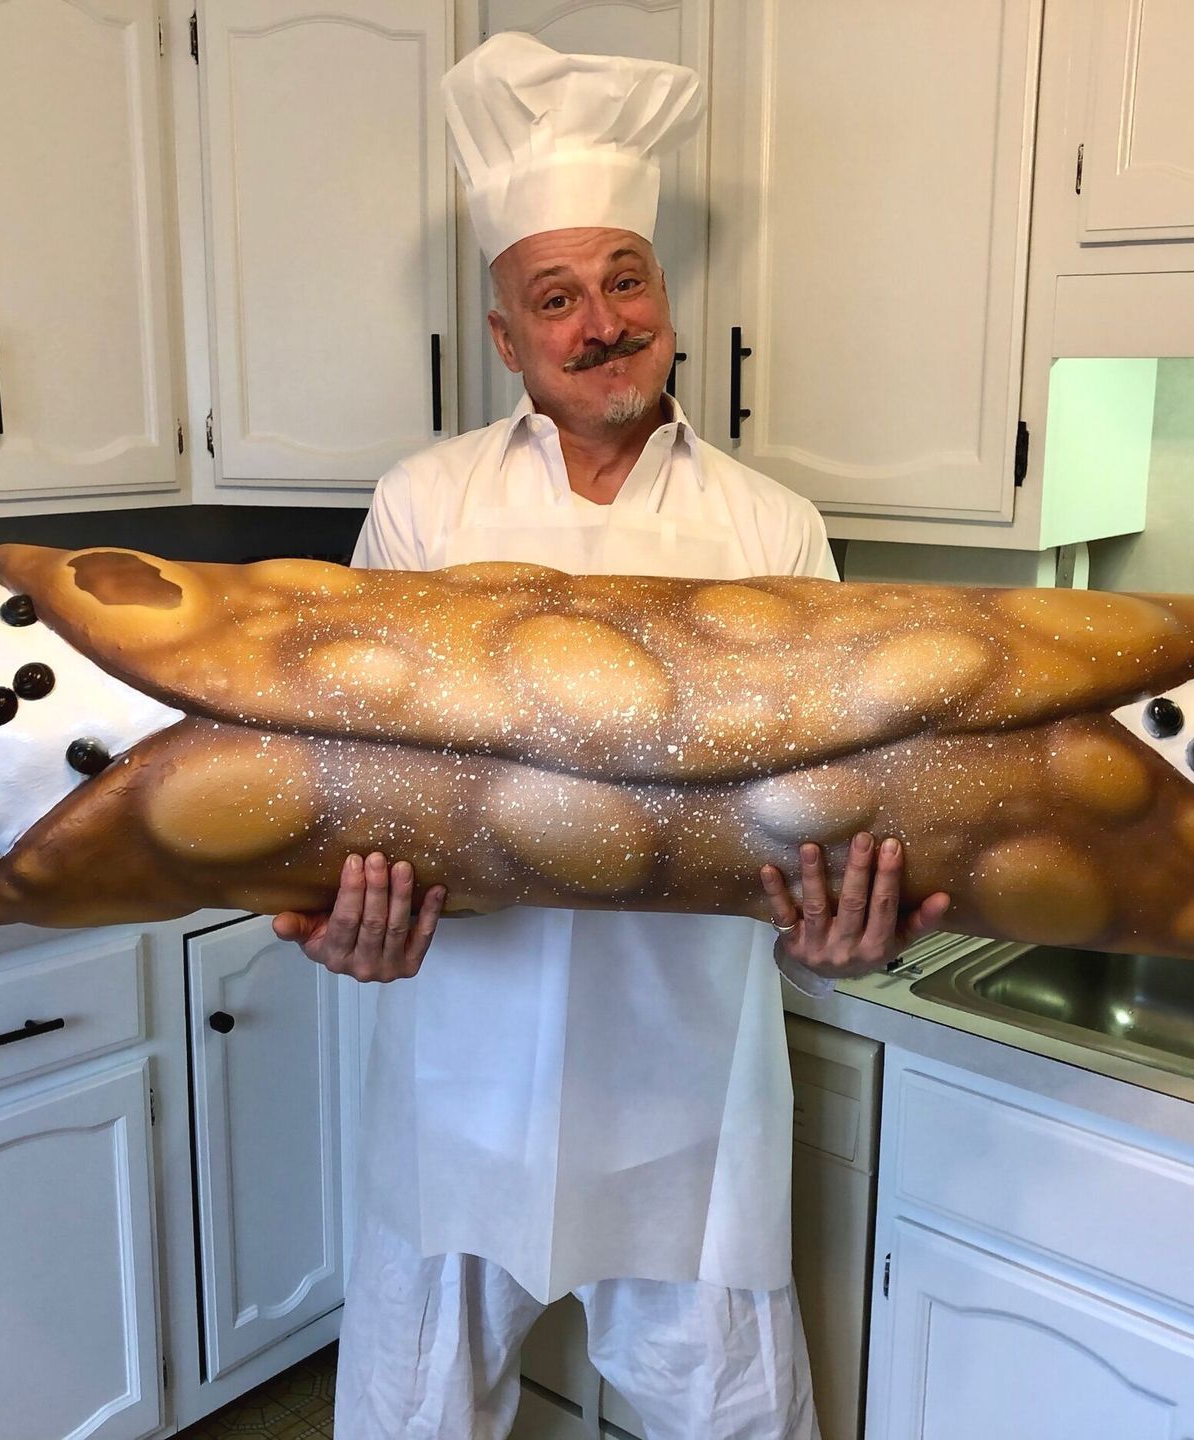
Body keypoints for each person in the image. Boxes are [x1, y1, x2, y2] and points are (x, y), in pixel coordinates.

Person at [272, 33, 949, 1439]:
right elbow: (362, 783)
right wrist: (342, 910)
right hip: (459, 1068)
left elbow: (825, 797)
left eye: (624, 280)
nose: (602, 322)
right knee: (414, 1416)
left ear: (669, 301)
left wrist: (841, 924)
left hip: (687, 1079)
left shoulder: (775, 527)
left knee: (732, 1420)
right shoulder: (425, 509)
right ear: (508, 337)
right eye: (557, 296)